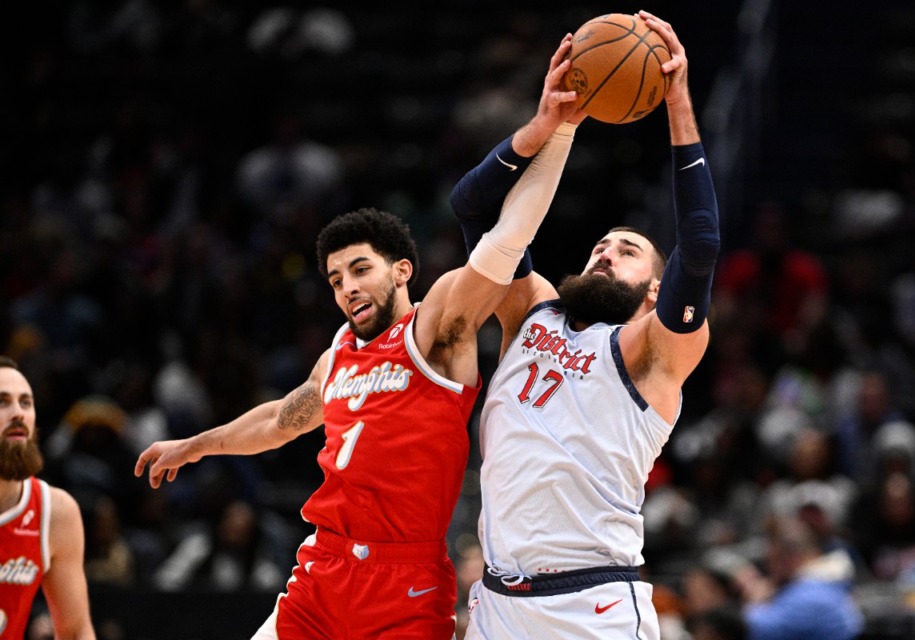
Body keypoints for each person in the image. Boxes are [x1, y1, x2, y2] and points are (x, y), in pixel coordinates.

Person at [133, 36, 584, 640]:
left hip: (406, 583)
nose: (346, 288)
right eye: (336, 278)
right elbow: (282, 420)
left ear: (402, 270)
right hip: (322, 571)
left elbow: (507, 236)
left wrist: (556, 132)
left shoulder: (437, 329)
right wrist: (196, 445)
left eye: (361, 270)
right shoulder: (339, 352)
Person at [450, 11, 721, 639]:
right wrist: (550, 126)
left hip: (590, 603)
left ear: (656, 290)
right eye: (601, 244)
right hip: (496, 599)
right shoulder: (529, 312)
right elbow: (473, 207)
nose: (605, 251)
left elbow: (700, 242)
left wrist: (677, 101)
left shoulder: (653, 350)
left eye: (627, 249)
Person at [0, 356, 96, 639]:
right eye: (2, 401)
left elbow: (76, 631)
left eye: (26, 402)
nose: (18, 413)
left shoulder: (55, 512)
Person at [733, 516, 864, 640]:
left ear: (791, 558)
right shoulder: (827, 582)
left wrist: (755, 600)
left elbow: (748, 630)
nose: (769, 569)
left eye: (771, 560)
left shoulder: (811, 594)